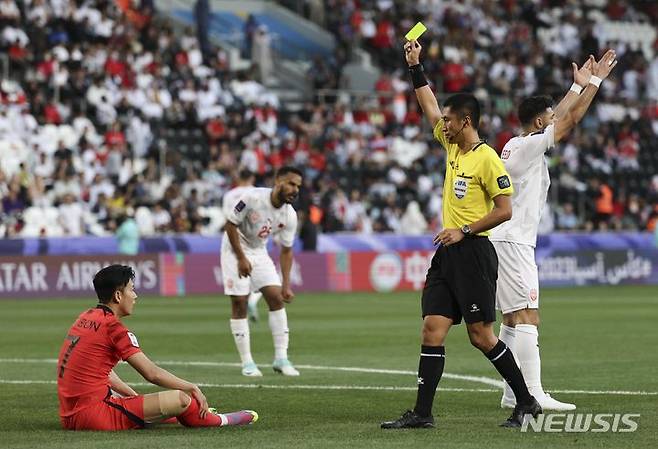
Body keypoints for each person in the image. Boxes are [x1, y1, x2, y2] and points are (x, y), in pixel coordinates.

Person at [382, 39, 540, 430]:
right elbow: (429, 106)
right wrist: (415, 67)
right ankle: (422, 413)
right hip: (448, 254)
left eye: (450, 121)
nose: (443, 125)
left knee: (480, 336)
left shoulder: (487, 158)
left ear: (466, 121)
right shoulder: (452, 147)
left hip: (473, 252)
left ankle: (527, 401)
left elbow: (504, 210)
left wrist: (464, 230)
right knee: (432, 329)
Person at [491, 50, 618, 411]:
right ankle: (532, 393)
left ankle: (511, 392)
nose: (553, 120)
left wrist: (574, 87)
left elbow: (560, 115)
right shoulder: (528, 146)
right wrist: (594, 82)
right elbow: (571, 119)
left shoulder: (519, 145)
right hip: (513, 242)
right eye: (546, 117)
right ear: (536, 123)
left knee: (513, 316)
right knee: (529, 314)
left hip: (508, 239)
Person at [57, 264, 258, 431]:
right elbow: (152, 374)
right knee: (182, 399)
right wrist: (191, 387)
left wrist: (131, 395)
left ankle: (172, 412)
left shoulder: (86, 317)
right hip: (95, 415)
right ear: (118, 296)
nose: (135, 296)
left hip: (70, 414)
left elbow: (101, 372)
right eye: (131, 289)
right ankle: (222, 419)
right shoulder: (114, 328)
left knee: (141, 401)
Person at [222, 166, 302, 377]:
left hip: (258, 250)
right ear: (278, 181)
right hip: (234, 249)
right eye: (291, 183)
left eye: (298, 186)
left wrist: (286, 285)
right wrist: (241, 258)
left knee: (276, 298)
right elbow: (230, 225)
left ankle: (281, 359)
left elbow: (286, 251)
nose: (295, 189)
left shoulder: (290, 216)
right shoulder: (252, 198)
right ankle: (247, 363)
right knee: (239, 302)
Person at [222, 169, 262, 322]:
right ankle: (251, 301)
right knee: (265, 279)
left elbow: (228, 218)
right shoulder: (258, 192)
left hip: (232, 240)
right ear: (252, 177)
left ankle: (243, 306)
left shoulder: (229, 195)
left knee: (239, 280)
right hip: (253, 239)